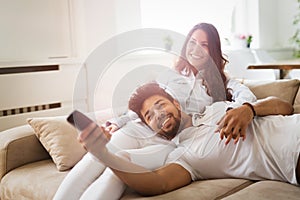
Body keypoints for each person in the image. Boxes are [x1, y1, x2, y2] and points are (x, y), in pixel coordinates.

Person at [54, 23, 257, 199]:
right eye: (192, 42)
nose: (196, 49)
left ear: (212, 50)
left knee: (118, 172)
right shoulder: (169, 74)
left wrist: (241, 110)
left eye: (204, 45)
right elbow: (145, 103)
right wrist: (120, 121)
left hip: (169, 143)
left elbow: (248, 98)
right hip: (139, 129)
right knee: (94, 158)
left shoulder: (222, 82)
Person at [79, 82, 299, 197]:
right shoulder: (183, 156)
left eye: (160, 105)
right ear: (149, 128)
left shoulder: (217, 108)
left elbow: (285, 107)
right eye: (149, 116)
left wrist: (249, 109)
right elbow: (158, 183)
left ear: (175, 102)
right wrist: (103, 154)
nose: (159, 115)